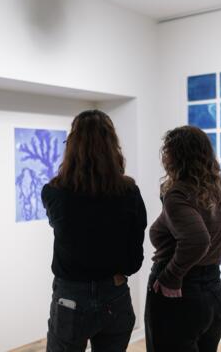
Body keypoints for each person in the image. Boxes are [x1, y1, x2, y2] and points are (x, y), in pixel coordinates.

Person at [42, 110, 147, 352]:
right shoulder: (129, 191)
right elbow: (135, 251)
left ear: (72, 145)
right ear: (112, 145)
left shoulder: (54, 192)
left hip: (70, 296)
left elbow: (61, 228)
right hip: (115, 293)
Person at [145, 125, 221, 352]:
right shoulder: (214, 191)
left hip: (182, 294)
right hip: (213, 291)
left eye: (167, 151)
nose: (164, 156)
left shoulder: (178, 193)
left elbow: (197, 240)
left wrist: (170, 277)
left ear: (176, 156)